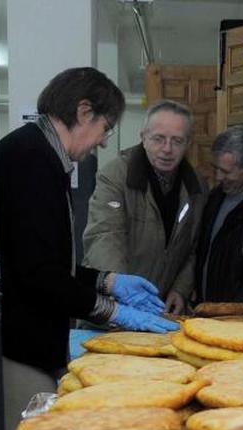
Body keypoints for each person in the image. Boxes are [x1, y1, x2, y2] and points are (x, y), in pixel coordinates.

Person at [0, 67, 176, 430]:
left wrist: (108, 281)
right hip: (21, 345)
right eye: (106, 127)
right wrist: (113, 311)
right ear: (83, 112)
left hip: (37, 339)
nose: (104, 141)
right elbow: (38, 274)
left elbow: (48, 260)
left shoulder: (43, 155)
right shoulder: (30, 159)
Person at [82, 100, 206, 316]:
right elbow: (105, 236)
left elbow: (195, 248)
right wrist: (121, 293)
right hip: (113, 306)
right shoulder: (115, 175)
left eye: (177, 141)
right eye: (158, 139)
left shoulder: (197, 187)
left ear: (188, 144)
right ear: (143, 137)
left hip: (161, 307)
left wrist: (180, 289)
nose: (167, 149)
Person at [193, 126, 243, 305]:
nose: (218, 177)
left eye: (226, 171)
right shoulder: (214, 198)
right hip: (208, 310)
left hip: (236, 320)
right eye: (216, 168)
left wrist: (234, 314)